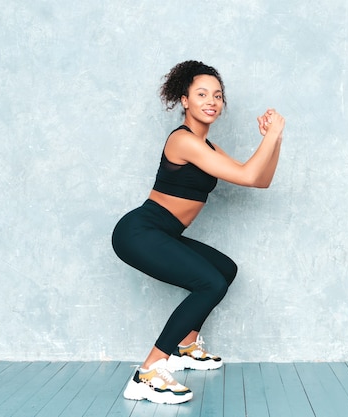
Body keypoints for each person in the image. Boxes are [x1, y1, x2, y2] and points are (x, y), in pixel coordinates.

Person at [111, 60, 285, 405]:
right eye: (202, 93)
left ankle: (187, 346)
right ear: (184, 100)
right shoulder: (183, 140)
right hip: (140, 231)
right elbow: (250, 175)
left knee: (224, 270)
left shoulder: (209, 147)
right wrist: (275, 134)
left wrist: (271, 141)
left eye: (218, 95)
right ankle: (148, 371)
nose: (212, 101)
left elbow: (260, 180)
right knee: (210, 284)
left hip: (163, 233)